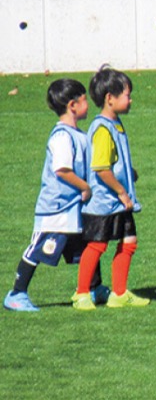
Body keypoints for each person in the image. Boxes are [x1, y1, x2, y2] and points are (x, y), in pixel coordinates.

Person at [4, 79, 102, 313]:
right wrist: (85, 188)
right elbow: (62, 169)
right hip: (57, 207)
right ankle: (17, 293)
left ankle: (93, 288)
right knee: (38, 248)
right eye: (84, 99)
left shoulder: (78, 134)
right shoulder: (62, 137)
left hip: (74, 207)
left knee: (88, 245)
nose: (88, 104)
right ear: (72, 105)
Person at [74, 66, 149, 309]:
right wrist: (121, 191)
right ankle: (82, 293)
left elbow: (115, 162)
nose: (131, 100)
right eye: (127, 95)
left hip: (119, 201)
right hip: (104, 202)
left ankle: (119, 293)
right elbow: (101, 168)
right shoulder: (103, 129)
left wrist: (130, 174)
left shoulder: (115, 124)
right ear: (110, 98)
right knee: (97, 244)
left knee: (129, 240)